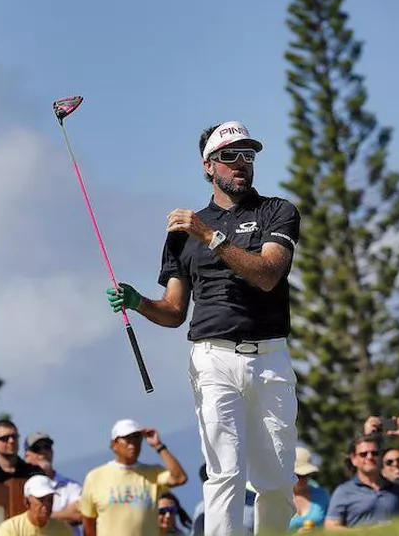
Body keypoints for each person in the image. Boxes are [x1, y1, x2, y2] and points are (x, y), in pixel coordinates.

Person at [105, 121, 301, 536]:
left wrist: (209, 235)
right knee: (225, 473)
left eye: (248, 155)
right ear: (209, 166)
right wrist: (138, 302)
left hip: (270, 358)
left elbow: (267, 274)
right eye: (230, 156)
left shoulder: (276, 212)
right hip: (212, 359)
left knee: (278, 482)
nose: (241, 164)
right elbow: (175, 310)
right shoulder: (183, 234)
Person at [79, 419, 187, 536]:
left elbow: (179, 478)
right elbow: (88, 522)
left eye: (137, 438)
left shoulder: (154, 473)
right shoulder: (95, 477)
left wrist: (158, 446)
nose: (133, 444)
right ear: (114, 444)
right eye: (127, 439)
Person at [324, 435, 399, 529]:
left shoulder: (398, 491)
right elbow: (331, 528)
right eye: (363, 454)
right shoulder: (343, 492)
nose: (370, 457)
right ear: (353, 460)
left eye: (374, 453)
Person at [24, 431, 84, 535]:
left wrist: (40, 515)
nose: (43, 452)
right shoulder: (21, 485)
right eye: (37, 449)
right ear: (27, 456)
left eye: (47, 447)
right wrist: (64, 514)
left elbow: (80, 514)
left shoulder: (71, 486)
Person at [0, 474, 72, 535]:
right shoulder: (10, 528)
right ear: (27, 501)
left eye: (50, 499)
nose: (47, 504)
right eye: (41, 499)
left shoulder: (62, 528)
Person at [288, 447, 330, 531]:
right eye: (299, 475)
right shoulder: (279, 498)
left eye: (307, 475)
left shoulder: (322, 495)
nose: (303, 479)